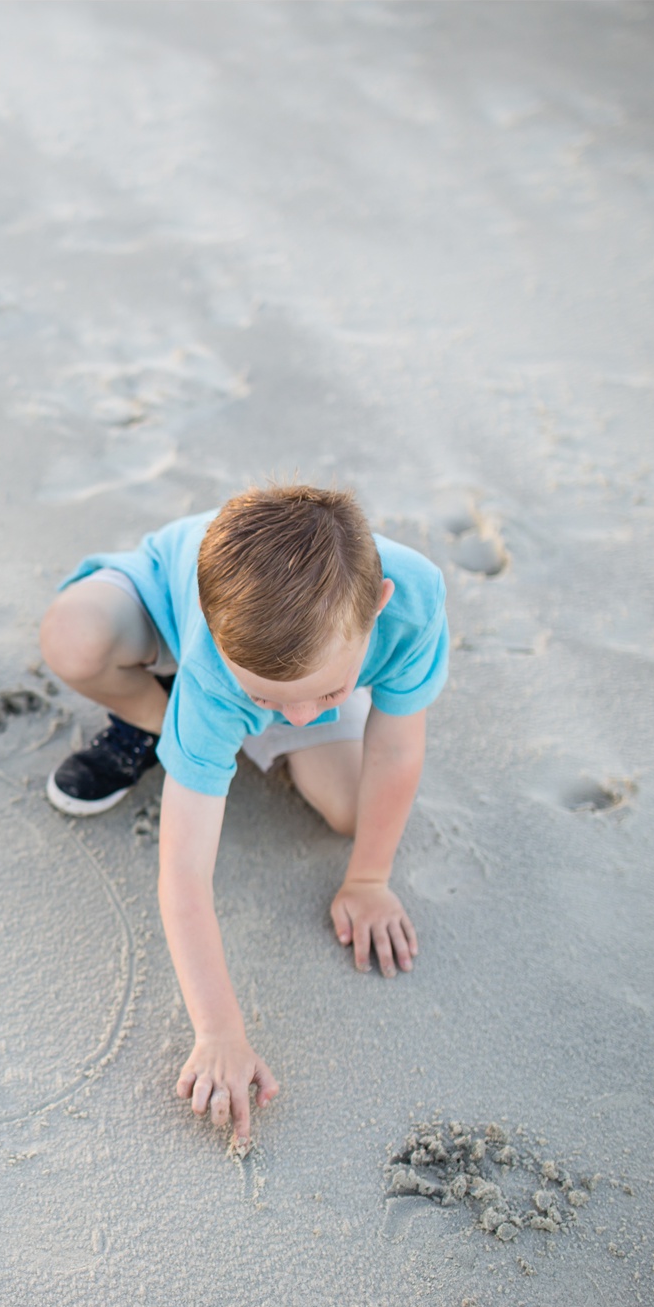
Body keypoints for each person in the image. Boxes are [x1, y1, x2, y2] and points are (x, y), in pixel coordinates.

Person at [38, 483, 449, 1147]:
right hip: (160, 620)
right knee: (73, 634)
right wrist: (219, 1030)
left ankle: (251, 718)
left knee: (350, 811)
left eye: (328, 692)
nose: (293, 716)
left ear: (377, 609)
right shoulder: (212, 662)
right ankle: (166, 723)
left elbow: (398, 744)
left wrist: (370, 878)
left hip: (287, 657)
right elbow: (184, 875)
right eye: (268, 700)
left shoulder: (414, 600)